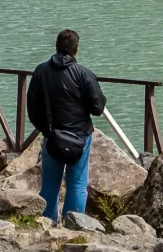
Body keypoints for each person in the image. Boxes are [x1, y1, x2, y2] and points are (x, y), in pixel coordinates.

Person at [28, 28, 106, 229]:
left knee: (49, 185)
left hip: (52, 136)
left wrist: (46, 130)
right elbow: (98, 108)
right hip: (80, 137)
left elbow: (32, 109)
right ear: (76, 49)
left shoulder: (41, 71)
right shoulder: (84, 74)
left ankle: (47, 225)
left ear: (56, 47)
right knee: (78, 185)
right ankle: (74, 228)